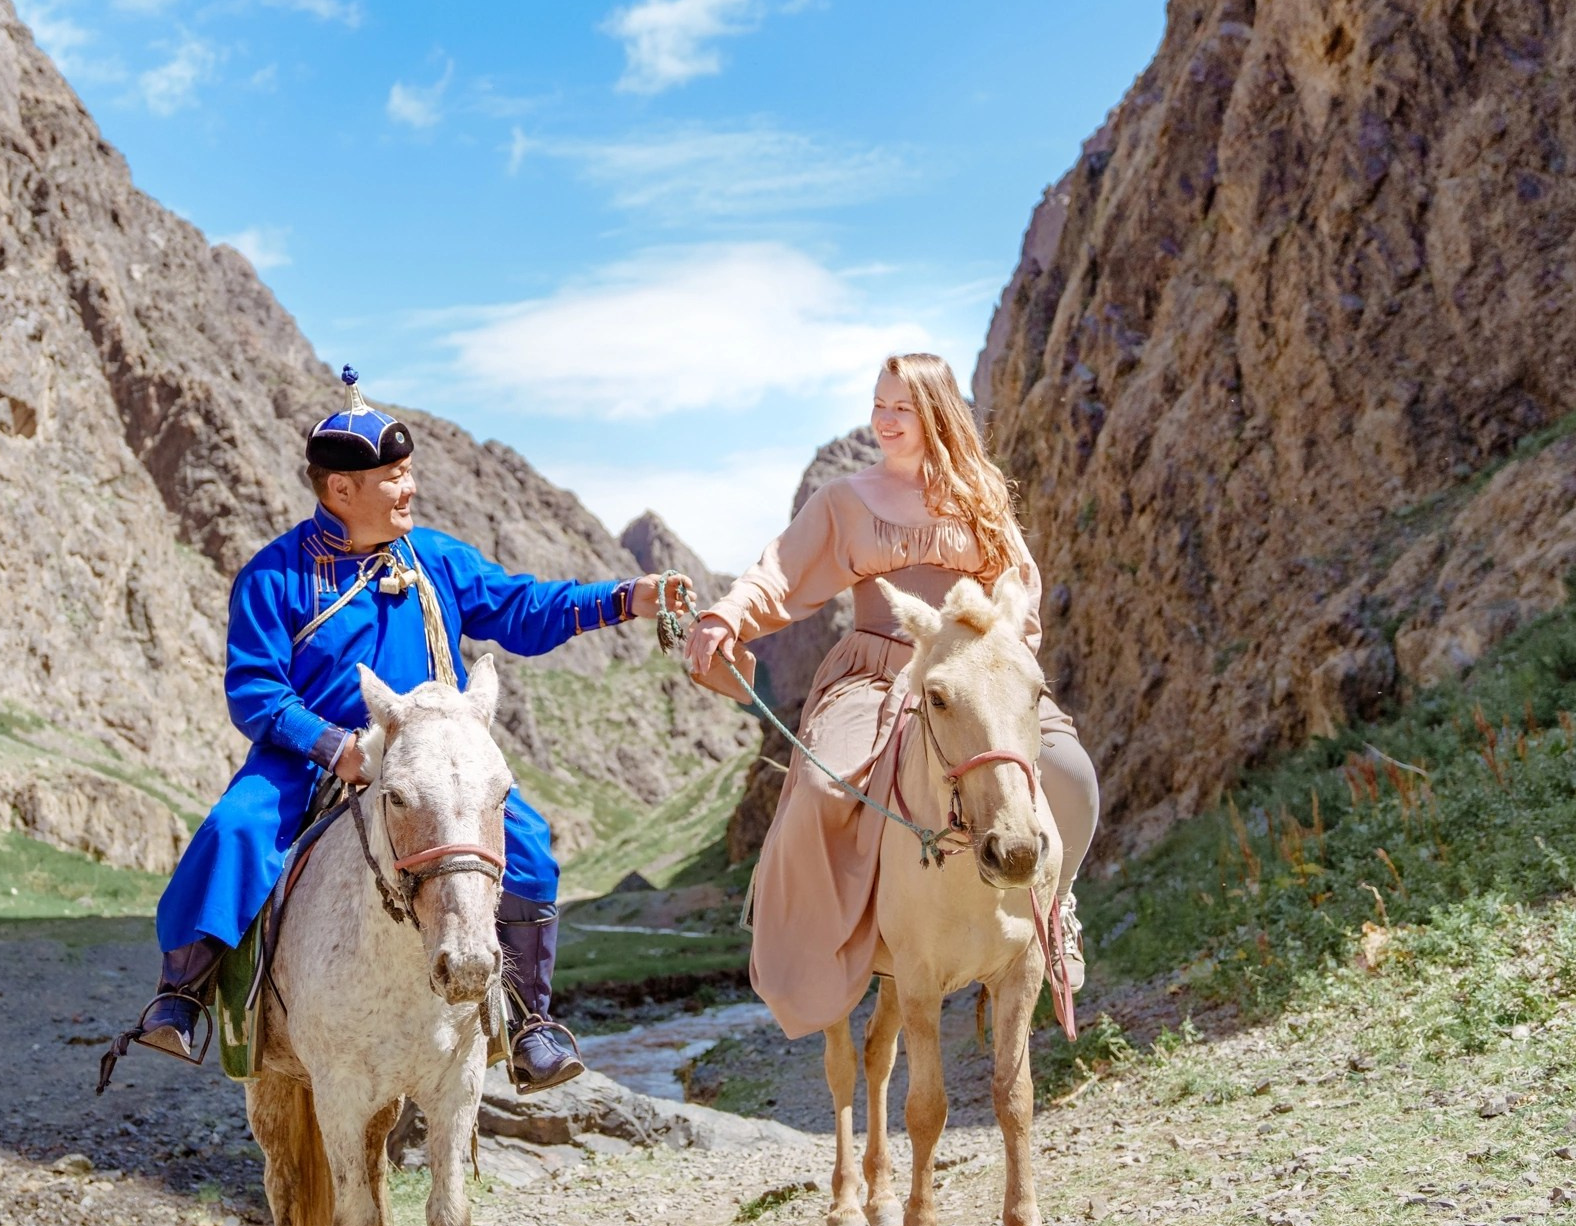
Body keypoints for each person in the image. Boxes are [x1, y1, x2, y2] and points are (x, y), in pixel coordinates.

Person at [125, 369, 686, 1094]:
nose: (408, 489)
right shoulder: (274, 577)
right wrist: (338, 746)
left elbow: (526, 609)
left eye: (408, 472)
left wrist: (628, 598)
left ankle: (528, 1021)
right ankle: (184, 998)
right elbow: (255, 689)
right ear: (340, 490)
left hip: (430, 762)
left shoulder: (437, 562)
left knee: (532, 850)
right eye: (393, 477)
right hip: (313, 757)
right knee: (234, 829)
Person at [680, 353, 1100, 1040]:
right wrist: (727, 615)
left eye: (900, 407)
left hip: (973, 671)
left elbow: (1019, 585)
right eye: (878, 404)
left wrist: (1002, 651)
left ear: (935, 412)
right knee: (821, 789)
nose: (884, 419)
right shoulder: (844, 500)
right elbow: (779, 571)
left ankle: (1057, 910)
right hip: (876, 670)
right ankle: (853, 946)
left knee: (1071, 774)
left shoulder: (980, 493)